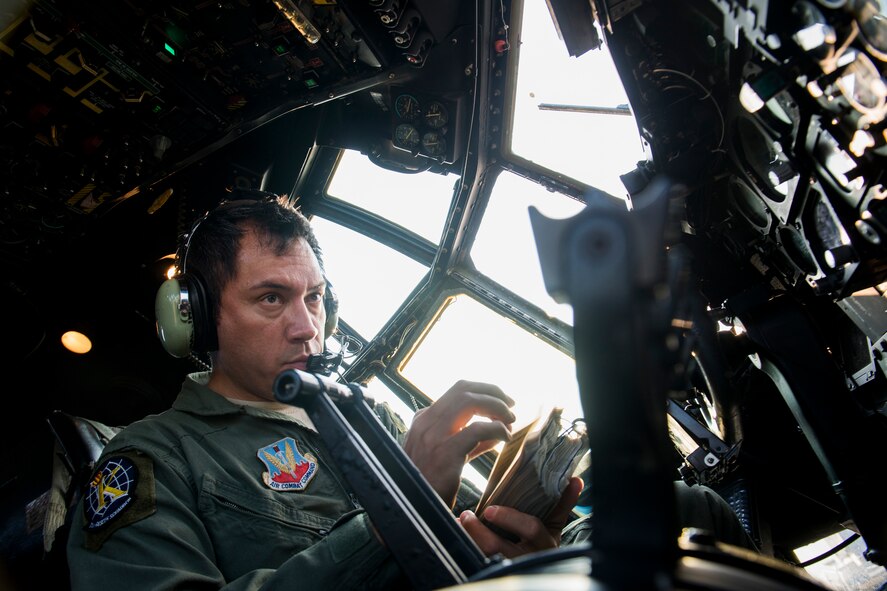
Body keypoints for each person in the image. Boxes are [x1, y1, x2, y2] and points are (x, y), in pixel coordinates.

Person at [66, 194, 581, 589]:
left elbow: (475, 530)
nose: (307, 328)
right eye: (271, 298)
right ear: (198, 321)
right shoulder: (155, 457)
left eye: (313, 298)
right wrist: (391, 518)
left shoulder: (371, 415)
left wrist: (527, 551)